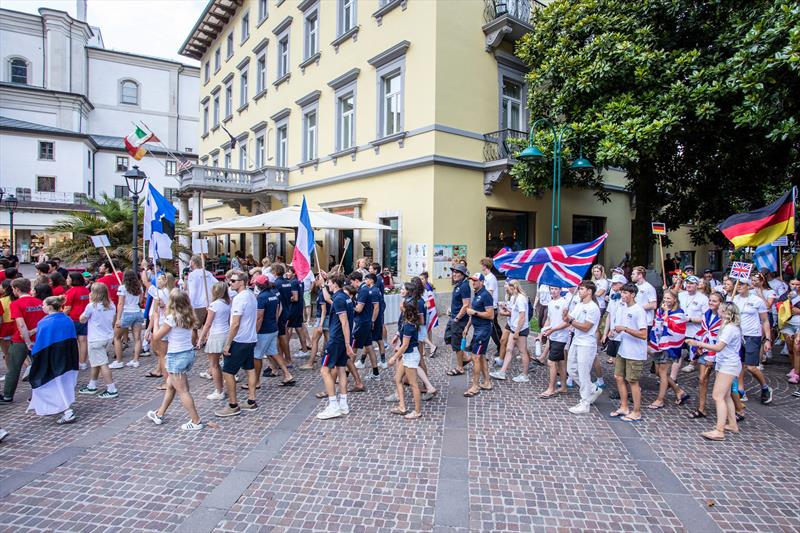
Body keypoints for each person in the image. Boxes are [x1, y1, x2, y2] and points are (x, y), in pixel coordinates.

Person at [147, 289, 203, 431]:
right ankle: (159, 414)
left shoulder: (172, 318)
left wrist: (155, 321)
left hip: (176, 355)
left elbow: (156, 336)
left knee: (183, 391)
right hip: (187, 353)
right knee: (170, 385)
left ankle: (196, 421)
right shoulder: (189, 315)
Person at [686, 303, 743, 441]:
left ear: (725, 312)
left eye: (720, 309)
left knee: (718, 396)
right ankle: (732, 424)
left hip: (728, 365)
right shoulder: (728, 327)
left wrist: (698, 343)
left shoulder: (729, 328)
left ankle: (719, 430)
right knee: (726, 396)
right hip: (725, 363)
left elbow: (718, 347)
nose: (717, 311)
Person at [26, 295, 79, 424]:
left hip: (52, 358)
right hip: (68, 356)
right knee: (64, 383)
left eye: (43, 305)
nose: (42, 307)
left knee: (54, 384)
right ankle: (65, 408)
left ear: (49, 307)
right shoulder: (67, 319)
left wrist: (34, 351)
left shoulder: (45, 322)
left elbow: (41, 344)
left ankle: (67, 410)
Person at [215, 271, 259, 417]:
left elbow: (235, 323)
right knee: (249, 368)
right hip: (250, 338)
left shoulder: (240, 298)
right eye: (230, 281)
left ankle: (233, 405)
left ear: (242, 282)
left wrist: (228, 343)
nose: (230, 283)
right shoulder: (251, 296)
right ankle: (251, 400)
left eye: (233, 281)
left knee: (228, 372)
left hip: (239, 339)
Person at [316, 273, 354, 419]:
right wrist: (322, 285)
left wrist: (347, 344)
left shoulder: (338, 299)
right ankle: (343, 405)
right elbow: (327, 298)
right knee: (341, 370)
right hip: (342, 340)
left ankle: (333, 405)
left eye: (330, 283)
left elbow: (344, 323)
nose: (329, 285)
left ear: (335, 284)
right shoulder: (345, 297)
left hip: (336, 340)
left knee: (324, 370)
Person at [1, 278, 45, 403]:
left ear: (17, 289)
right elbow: (44, 321)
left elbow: (21, 325)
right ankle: (38, 393)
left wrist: (27, 341)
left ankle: (8, 395)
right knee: (38, 367)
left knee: (13, 368)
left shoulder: (15, 304)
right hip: (38, 339)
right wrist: (34, 332)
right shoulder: (39, 302)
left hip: (21, 341)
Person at [610, 283, 648, 422]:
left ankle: (636, 411)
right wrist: (614, 332)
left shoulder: (639, 310)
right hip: (623, 349)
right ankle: (624, 406)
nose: (623, 295)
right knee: (618, 377)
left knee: (632, 380)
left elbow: (643, 334)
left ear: (633, 294)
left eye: (626, 293)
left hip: (635, 352)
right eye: (622, 293)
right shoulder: (623, 308)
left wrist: (625, 329)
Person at [564, 281, 603, 414]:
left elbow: (586, 327)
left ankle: (585, 402)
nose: (579, 291)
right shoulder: (580, 304)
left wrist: (570, 320)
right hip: (576, 340)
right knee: (571, 369)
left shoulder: (593, 308)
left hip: (587, 343)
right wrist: (566, 315)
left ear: (589, 291)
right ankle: (592, 389)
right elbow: (570, 318)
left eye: (581, 289)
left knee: (583, 372)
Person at [733, 277, 773, 404]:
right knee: (739, 364)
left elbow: (765, 320)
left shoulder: (757, 301)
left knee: (751, 367)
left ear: (749, 286)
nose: (739, 286)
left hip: (752, 335)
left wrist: (767, 339)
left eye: (742, 284)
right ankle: (740, 389)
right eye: (737, 284)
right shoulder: (734, 299)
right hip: (737, 335)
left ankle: (765, 387)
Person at [648, 290, 690, 409]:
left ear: (675, 299)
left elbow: (677, 329)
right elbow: (657, 324)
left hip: (670, 346)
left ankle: (660, 399)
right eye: (665, 298)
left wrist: (666, 316)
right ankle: (679, 391)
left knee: (662, 372)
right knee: (657, 371)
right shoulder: (660, 311)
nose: (666, 301)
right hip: (659, 343)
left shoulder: (679, 313)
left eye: (669, 298)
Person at [253, 274, 295, 386]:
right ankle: (287, 374)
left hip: (264, 330)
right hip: (273, 327)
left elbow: (259, 317)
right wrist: (274, 321)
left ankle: (256, 382)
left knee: (257, 356)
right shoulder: (273, 294)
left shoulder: (261, 297)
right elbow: (279, 309)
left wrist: (255, 332)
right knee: (274, 353)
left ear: (258, 285)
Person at [78, 283, 118, 399]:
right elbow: (113, 319)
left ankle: (111, 388)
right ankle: (92, 384)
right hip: (107, 336)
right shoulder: (111, 304)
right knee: (96, 362)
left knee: (102, 364)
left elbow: (82, 319)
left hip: (96, 338)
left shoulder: (92, 306)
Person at [688, 291, 723, 419]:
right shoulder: (706, 314)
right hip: (705, 347)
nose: (711, 303)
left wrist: (712, 355)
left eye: (714, 301)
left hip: (720, 351)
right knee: (702, 379)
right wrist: (698, 345)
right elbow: (703, 331)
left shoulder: (724, 317)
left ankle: (737, 409)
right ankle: (701, 408)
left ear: (721, 303)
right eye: (710, 300)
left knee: (726, 384)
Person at [388, 300, 424, 419]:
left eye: (401, 304)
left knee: (414, 385)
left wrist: (394, 358)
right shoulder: (407, 321)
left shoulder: (409, 325)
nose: (399, 304)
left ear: (405, 309)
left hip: (410, 356)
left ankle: (417, 411)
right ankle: (402, 406)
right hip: (408, 355)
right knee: (397, 379)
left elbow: (405, 345)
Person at [490, 280, 530, 382]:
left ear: (514, 288)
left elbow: (522, 317)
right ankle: (502, 372)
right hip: (513, 327)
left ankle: (525, 375)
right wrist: (506, 308)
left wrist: (517, 332)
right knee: (509, 349)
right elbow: (514, 313)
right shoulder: (514, 297)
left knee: (522, 351)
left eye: (509, 288)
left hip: (520, 329)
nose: (508, 290)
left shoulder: (521, 298)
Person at [197, 282, 230, 399]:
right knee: (225, 363)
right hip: (226, 333)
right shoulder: (228, 304)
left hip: (216, 335)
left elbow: (207, 324)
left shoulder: (214, 305)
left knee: (214, 365)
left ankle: (219, 391)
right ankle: (223, 388)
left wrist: (200, 338)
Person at [463, 273, 494, 397]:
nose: (473, 283)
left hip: (483, 331)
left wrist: (474, 312)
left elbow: (491, 315)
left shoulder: (486, 295)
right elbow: (473, 314)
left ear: (482, 282)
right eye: (472, 281)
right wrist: (467, 327)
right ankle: (487, 382)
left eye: (475, 281)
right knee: (481, 356)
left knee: (475, 357)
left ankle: (475, 386)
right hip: (477, 329)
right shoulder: (477, 294)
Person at [539, 286, 570, 398]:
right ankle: (563, 386)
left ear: (561, 290)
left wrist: (553, 330)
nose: (553, 291)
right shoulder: (551, 302)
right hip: (552, 336)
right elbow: (549, 319)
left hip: (561, 337)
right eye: (551, 289)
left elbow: (567, 323)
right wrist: (542, 331)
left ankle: (551, 388)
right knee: (561, 362)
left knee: (551, 362)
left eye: (556, 289)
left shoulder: (564, 303)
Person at [677, 275, 709, 375]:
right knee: (678, 350)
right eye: (687, 283)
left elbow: (705, 318)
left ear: (697, 285)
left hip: (694, 329)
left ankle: (693, 364)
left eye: (691, 283)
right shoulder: (681, 295)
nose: (689, 285)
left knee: (694, 350)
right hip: (680, 328)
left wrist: (690, 319)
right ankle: (675, 370)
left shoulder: (703, 299)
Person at [350, 272, 379, 380]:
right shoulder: (364, 289)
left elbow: (359, 309)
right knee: (369, 347)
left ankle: (347, 373)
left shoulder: (363, 290)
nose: (352, 285)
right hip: (366, 322)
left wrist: (350, 304)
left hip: (361, 323)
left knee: (353, 348)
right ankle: (376, 373)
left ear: (357, 281)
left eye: (352, 282)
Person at [113, 269, 143, 369]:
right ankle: (135, 360)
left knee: (117, 337)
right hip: (137, 312)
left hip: (126, 313)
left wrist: (118, 318)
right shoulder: (139, 287)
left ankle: (119, 361)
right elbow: (141, 300)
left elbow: (120, 303)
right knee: (137, 338)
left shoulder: (122, 288)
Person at [445, 264, 471, 376]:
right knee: (449, 338)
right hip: (453, 317)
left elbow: (466, 305)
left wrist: (457, 318)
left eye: (457, 272)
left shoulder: (465, 286)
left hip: (459, 320)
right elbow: (458, 302)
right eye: (453, 272)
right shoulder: (459, 285)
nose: (454, 274)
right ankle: (465, 358)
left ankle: (460, 367)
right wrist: (451, 309)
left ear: (463, 275)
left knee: (457, 343)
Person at [186, 255, 217, 344]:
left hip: (197, 304)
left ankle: (193, 344)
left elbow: (192, 291)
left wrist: (190, 304)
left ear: (193, 262)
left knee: (194, 328)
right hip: (208, 302)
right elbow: (216, 284)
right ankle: (206, 341)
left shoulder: (192, 275)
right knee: (207, 325)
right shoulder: (208, 273)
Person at [64, 272, 90, 370]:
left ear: (73, 280)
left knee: (72, 342)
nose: (66, 280)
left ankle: (72, 362)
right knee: (83, 341)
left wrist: (61, 317)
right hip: (84, 318)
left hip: (73, 319)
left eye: (68, 278)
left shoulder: (71, 292)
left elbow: (67, 308)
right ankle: (83, 362)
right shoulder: (86, 290)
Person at [304, 272, 330, 370]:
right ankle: (327, 359)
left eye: (317, 278)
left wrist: (320, 325)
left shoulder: (322, 293)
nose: (315, 280)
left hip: (322, 319)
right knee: (328, 339)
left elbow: (324, 310)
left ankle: (310, 363)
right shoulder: (325, 290)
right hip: (326, 318)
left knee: (315, 340)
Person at [285, 266, 311, 357]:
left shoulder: (293, 283)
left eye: (289, 272)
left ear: (294, 273)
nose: (287, 274)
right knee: (299, 330)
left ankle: (285, 351)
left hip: (293, 310)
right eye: (286, 272)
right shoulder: (300, 282)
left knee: (287, 330)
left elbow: (295, 298)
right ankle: (304, 350)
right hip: (299, 309)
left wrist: (286, 298)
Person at [781, 278, 800, 384]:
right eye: (793, 284)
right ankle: (794, 368)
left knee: (797, 346)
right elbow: (779, 305)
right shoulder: (787, 295)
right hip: (788, 324)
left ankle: (797, 374)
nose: (795, 286)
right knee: (790, 346)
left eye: (798, 284)